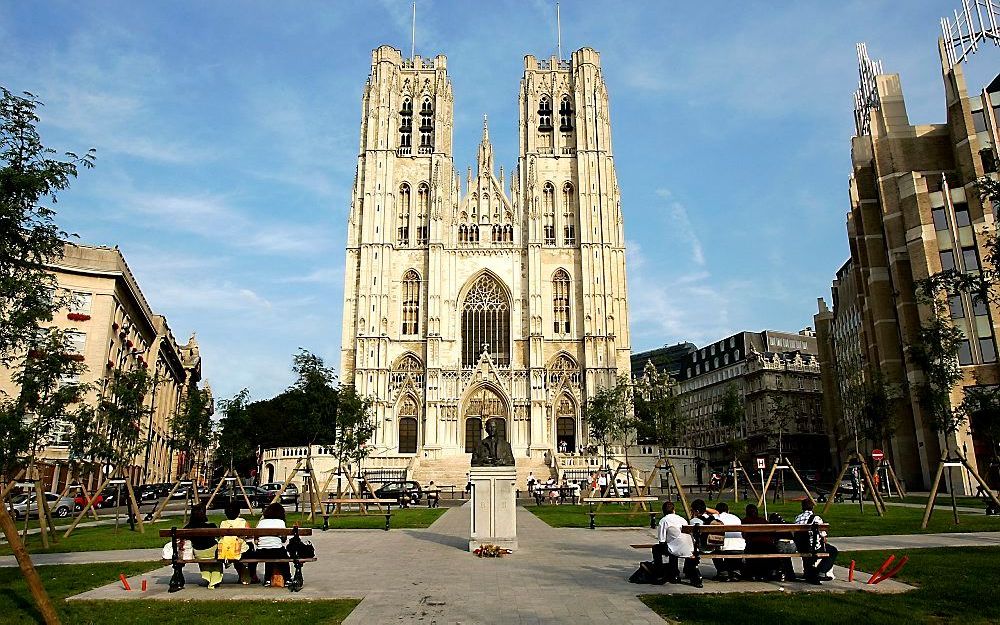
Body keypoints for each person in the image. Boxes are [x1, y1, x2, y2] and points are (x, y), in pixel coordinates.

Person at [651, 501, 702, 587]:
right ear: (674, 510)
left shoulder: (664, 520)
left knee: (657, 548)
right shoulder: (682, 519)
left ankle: (661, 573)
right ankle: (675, 573)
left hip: (675, 548)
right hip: (689, 548)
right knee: (673, 545)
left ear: (663, 511)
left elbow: (661, 540)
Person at [794, 499, 838, 584]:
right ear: (812, 507)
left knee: (807, 547)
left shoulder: (797, 518)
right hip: (813, 547)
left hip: (801, 546)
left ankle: (808, 572)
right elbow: (823, 536)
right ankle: (820, 571)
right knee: (833, 551)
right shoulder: (816, 518)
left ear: (802, 507)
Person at [184, 503, 223, 589]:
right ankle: (215, 579)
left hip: (198, 553)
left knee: (203, 558)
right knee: (217, 553)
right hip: (212, 552)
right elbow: (219, 536)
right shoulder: (211, 526)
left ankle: (208, 577)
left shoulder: (188, 527)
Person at [220, 501, 258, 585]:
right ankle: (253, 575)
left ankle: (241, 574)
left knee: (236, 556)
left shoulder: (223, 523)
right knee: (251, 550)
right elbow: (250, 535)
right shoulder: (243, 522)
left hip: (228, 551)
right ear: (238, 512)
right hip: (241, 551)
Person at [742, 504, 780, 581]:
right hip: (768, 545)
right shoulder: (763, 521)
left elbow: (744, 536)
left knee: (751, 551)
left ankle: (753, 573)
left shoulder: (744, 521)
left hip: (753, 545)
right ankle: (766, 573)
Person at [256, 502, 291, 586]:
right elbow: (283, 540)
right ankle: (287, 578)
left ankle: (267, 579)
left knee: (269, 555)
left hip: (261, 552)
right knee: (283, 556)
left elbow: (256, 540)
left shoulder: (261, 522)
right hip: (277, 551)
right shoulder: (280, 522)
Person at [712, 502, 746, 581]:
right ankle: (735, 572)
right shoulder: (736, 518)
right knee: (732, 548)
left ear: (716, 511)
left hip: (724, 547)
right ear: (728, 511)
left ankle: (723, 572)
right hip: (740, 547)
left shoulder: (716, 517)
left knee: (713, 549)